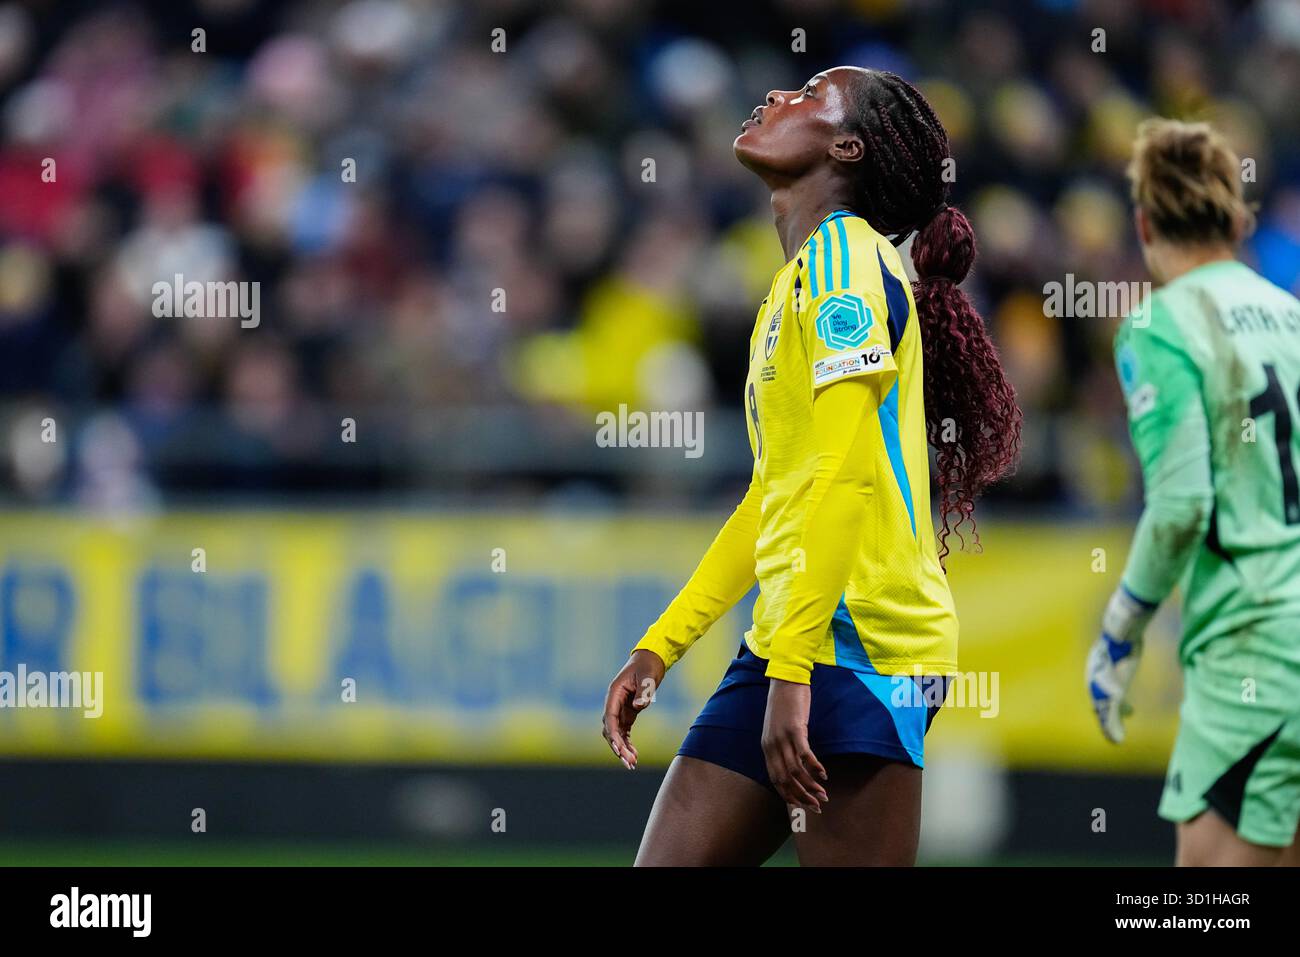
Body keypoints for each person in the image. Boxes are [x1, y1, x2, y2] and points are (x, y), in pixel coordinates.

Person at [601, 66, 1021, 866]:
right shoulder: (798, 280)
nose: (775, 98)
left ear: (848, 146)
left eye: (808, 94)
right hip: (790, 640)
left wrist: (792, 671)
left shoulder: (846, 262)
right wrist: (660, 646)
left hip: (867, 646)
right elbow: (774, 497)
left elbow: (843, 474)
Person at [1088, 117, 1300, 866]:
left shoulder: (1161, 325)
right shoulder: (1291, 316)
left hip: (1256, 651)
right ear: (1237, 219)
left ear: (1144, 223)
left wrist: (1120, 628)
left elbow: (1181, 505)